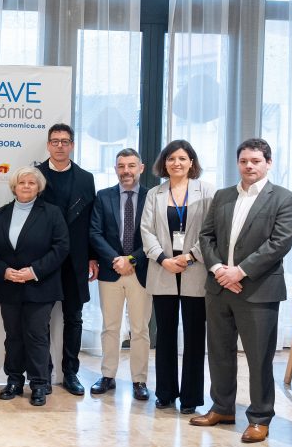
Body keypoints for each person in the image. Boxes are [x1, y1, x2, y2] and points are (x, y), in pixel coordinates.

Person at [190, 139, 292, 443]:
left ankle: (260, 418)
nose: (249, 166)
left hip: (259, 290)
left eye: (255, 160)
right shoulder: (224, 195)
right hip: (219, 287)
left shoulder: (285, 199)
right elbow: (206, 236)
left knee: (259, 358)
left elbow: (279, 243)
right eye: (243, 161)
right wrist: (218, 269)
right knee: (219, 353)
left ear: (268, 163)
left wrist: (239, 271)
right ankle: (222, 408)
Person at [139, 139, 215, 414]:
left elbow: (211, 231)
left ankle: (191, 397)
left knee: (194, 337)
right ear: (164, 163)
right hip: (163, 270)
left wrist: (190, 256)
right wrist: (163, 259)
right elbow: (146, 230)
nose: (176, 163)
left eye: (182, 158)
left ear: (191, 162)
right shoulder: (155, 193)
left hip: (195, 269)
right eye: (171, 159)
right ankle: (166, 392)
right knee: (165, 335)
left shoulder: (207, 191)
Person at [0, 167, 70, 407]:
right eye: (22, 182)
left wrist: (33, 271)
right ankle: (14, 380)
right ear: (14, 186)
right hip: (9, 284)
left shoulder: (52, 213)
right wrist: (3, 270)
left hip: (40, 285)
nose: (26, 186)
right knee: (13, 336)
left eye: (31, 183)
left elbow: (61, 247)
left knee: (36, 335)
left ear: (39, 187)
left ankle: (39, 383)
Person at [36, 124, 97, 396]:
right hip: (45, 258)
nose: (60, 146)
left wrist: (93, 257)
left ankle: (71, 373)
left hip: (76, 259)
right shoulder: (35, 175)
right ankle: (43, 373)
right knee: (41, 319)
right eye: (55, 141)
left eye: (65, 141)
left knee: (74, 318)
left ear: (72, 145)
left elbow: (91, 220)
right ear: (48, 145)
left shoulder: (86, 178)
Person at [88, 148, 152, 400]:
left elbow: (154, 236)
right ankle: (107, 376)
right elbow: (95, 232)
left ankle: (139, 380)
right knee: (110, 327)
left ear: (141, 168)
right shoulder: (103, 196)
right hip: (111, 270)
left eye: (131, 165)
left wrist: (132, 259)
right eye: (121, 166)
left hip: (141, 271)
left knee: (140, 329)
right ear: (115, 169)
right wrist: (116, 260)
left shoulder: (152, 197)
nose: (126, 171)